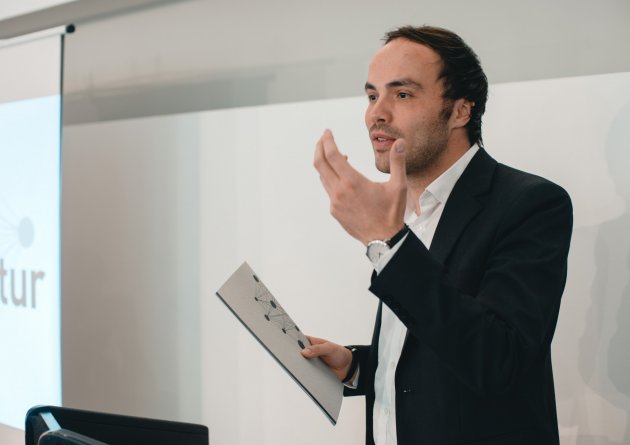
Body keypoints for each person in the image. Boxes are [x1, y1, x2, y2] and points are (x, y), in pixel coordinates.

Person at [301, 25, 573, 445]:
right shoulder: (406, 212)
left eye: (402, 94)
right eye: (372, 95)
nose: (377, 113)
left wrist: (388, 242)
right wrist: (357, 366)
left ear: (461, 111)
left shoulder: (531, 205)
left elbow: (498, 360)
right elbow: (434, 353)